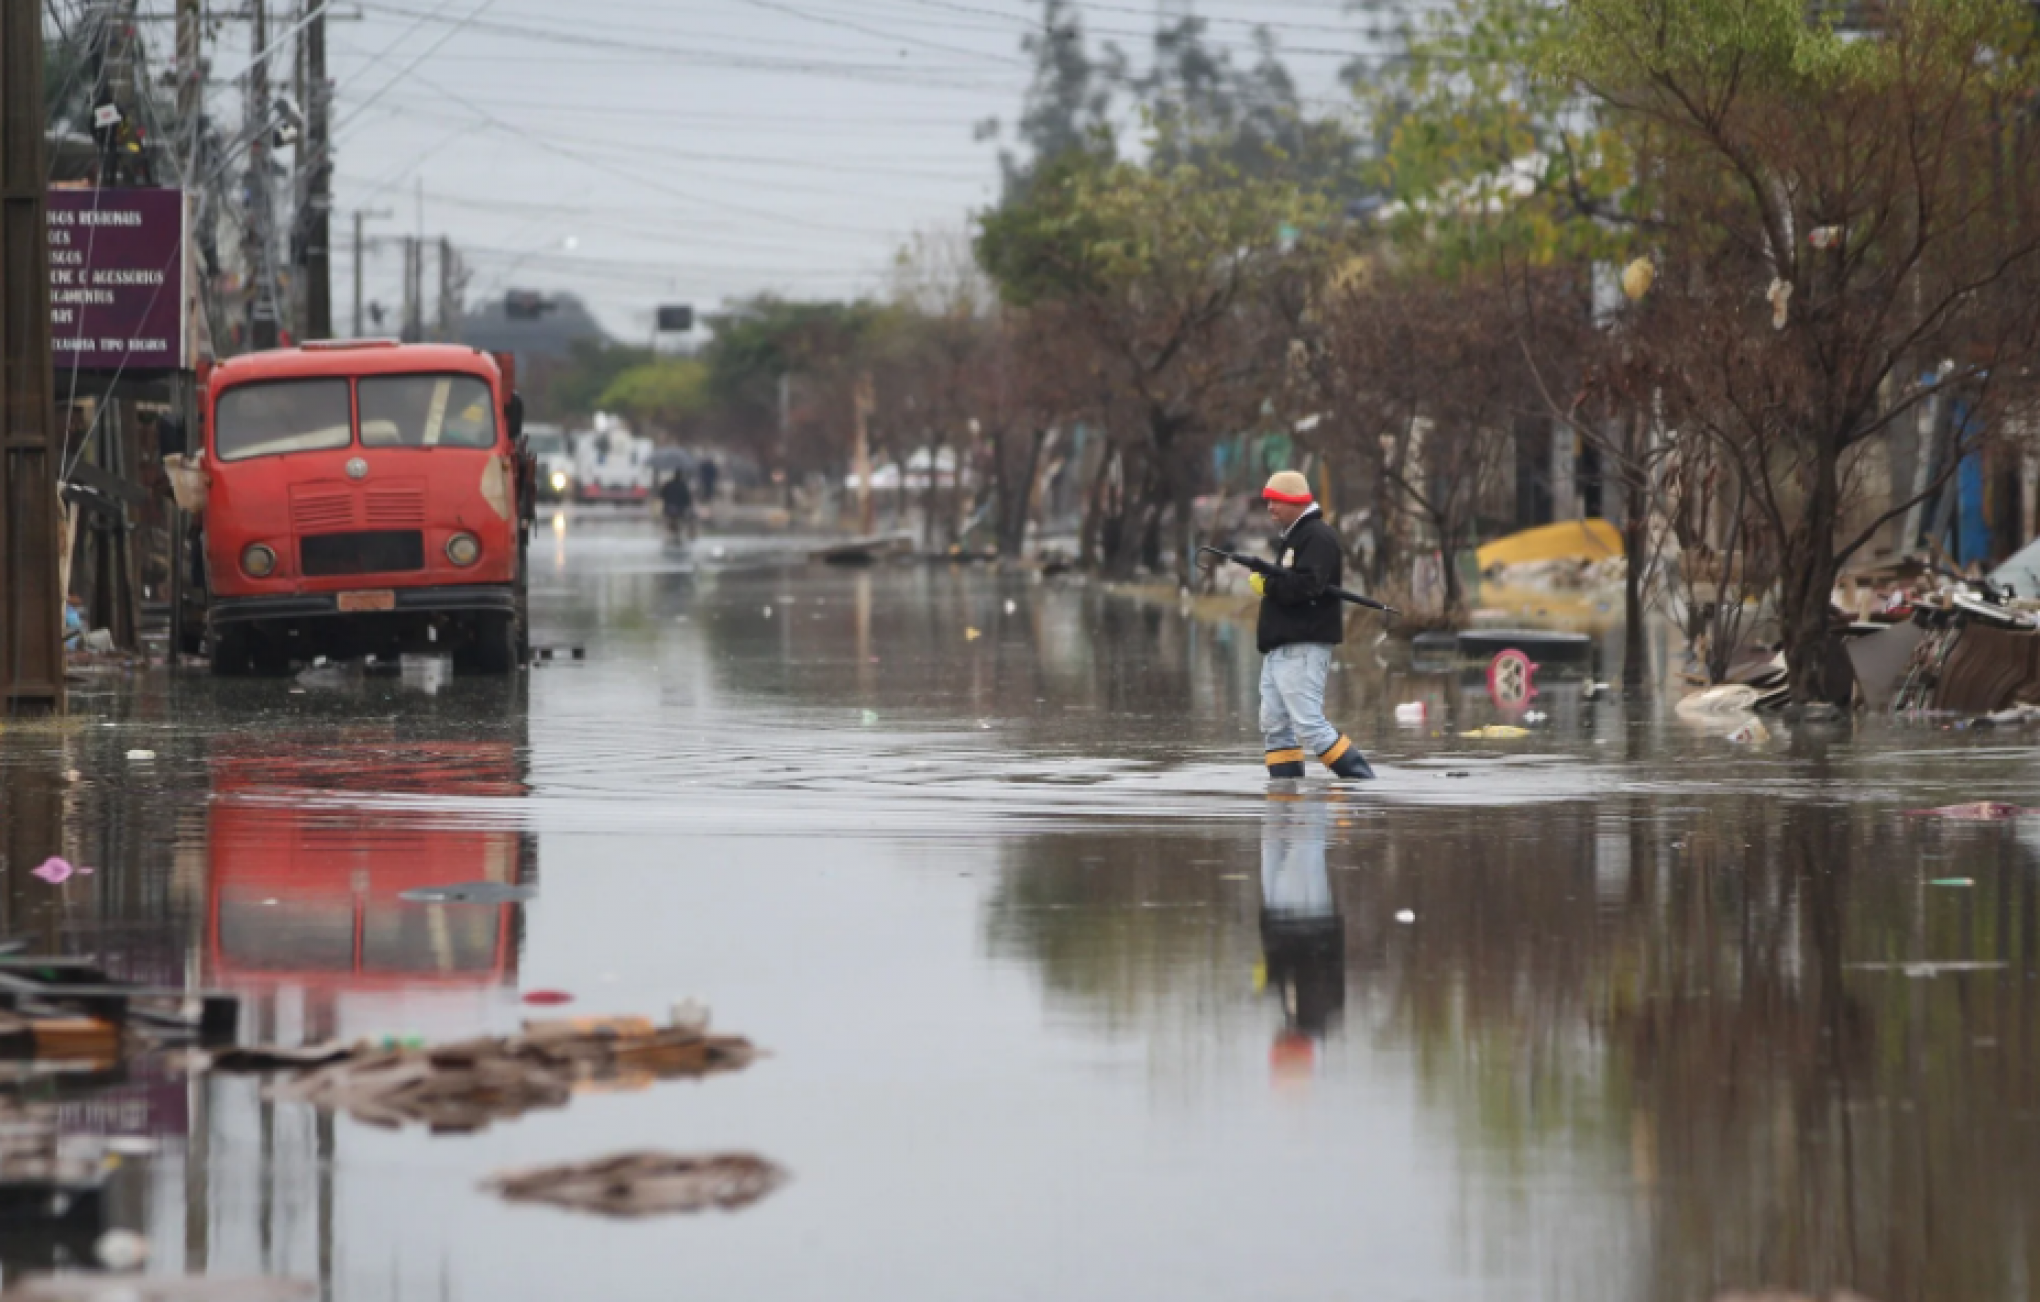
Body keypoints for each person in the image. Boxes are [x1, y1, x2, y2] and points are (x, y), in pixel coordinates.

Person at [1252, 470, 1375, 781]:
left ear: (1293, 501)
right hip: (1280, 647)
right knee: (1274, 724)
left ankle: (1362, 782)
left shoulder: (1317, 536)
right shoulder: (1296, 536)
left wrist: (1269, 587)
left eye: (1274, 501)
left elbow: (1308, 586)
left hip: (1303, 645)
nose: (1269, 507)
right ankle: (1284, 798)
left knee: (1308, 723)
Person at [659, 471, 695, 539]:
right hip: (680, 508)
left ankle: (672, 530)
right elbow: (687, 497)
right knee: (681, 519)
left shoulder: (668, 484)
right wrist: (688, 505)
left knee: (670, 519)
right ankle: (678, 532)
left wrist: (667, 499)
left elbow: (662, 494)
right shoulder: (683, 485)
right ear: (681, 477)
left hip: (669, 506)